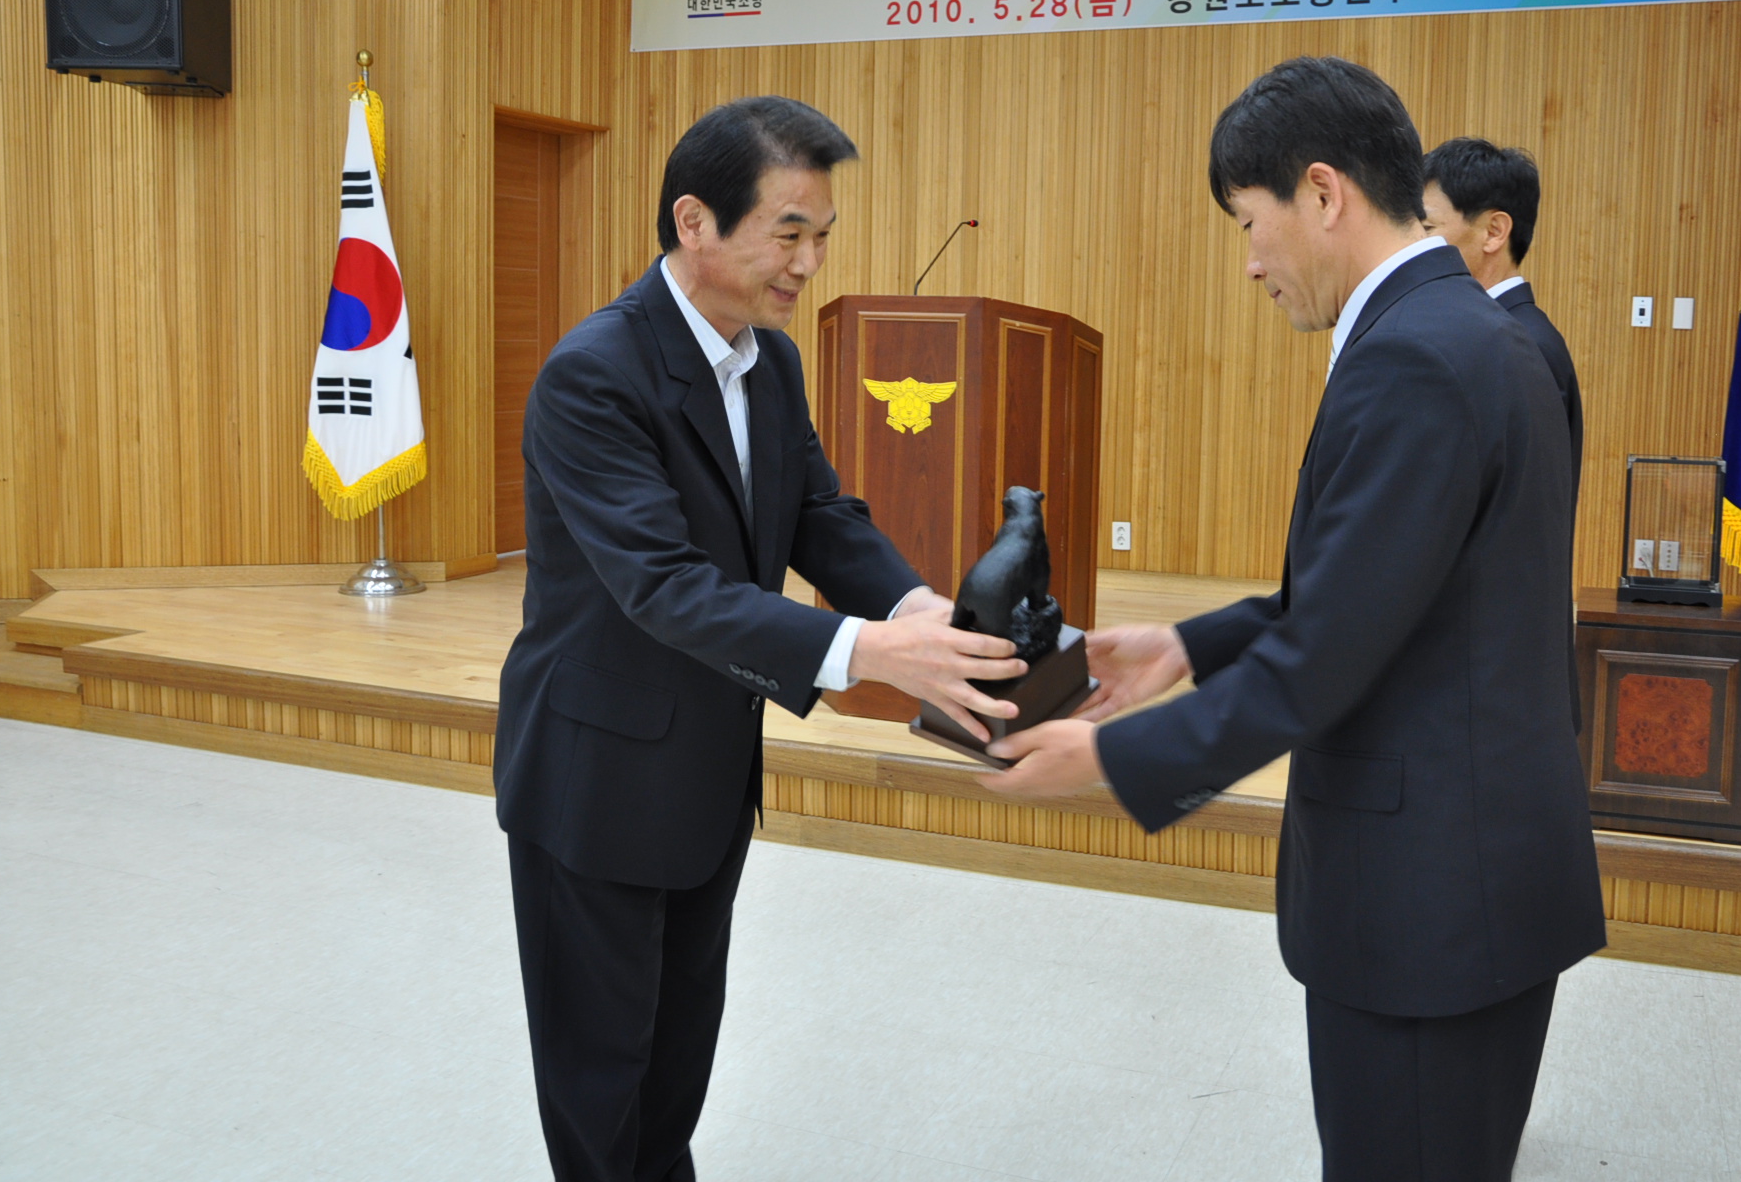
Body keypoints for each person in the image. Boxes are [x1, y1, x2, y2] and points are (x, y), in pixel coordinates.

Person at [986, 58, 1606, 1181]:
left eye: (1247, 222)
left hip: (1428, 903)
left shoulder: (1414, 357)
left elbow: (1326, 652)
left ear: (1322, 193)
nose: (1250, 263)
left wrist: (1111, 757)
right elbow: (1383, 585)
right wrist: (1186, 643)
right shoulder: (1477, 333)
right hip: (1479, 871)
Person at [494, 96, 1026, 1182]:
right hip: (594, 781)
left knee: (675, 1066)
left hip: (704, 774)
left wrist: (914, 607)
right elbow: (664, 586)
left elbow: (818, 515)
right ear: (693, 220)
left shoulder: (769, 362)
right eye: (788, 233)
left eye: (821, 235)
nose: (809, 263)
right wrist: (865, 652)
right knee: (601, 1080)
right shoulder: (594, 372)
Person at [1420, 138, 1582, 500]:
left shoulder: (1525, 344)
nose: (1413, 245)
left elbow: (1528, 503)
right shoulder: (1493, 334)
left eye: (1427, 229)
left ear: (1494, 232)